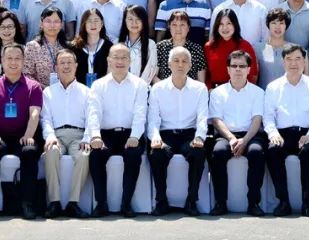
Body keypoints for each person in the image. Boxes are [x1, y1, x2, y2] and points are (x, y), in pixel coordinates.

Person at [86, 44, 150, 218]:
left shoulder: (140, 84)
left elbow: (140, 113)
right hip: (106, 134)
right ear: (109, 60)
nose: (120, 61)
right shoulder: (98, 85)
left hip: (131, 133)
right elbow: (94, 113)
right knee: (96, 156)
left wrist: (135, 136)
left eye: (124, 58)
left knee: (133, 155)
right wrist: (95, 136)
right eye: (116, 57)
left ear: (130, 61)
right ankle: (101, 204)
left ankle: (126, 204)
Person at [0, 44, 43, 220]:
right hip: (0, 136)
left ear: (23, 61)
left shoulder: (34, 87)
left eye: (17, 58)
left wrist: (28, 135)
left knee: (29, 152)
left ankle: (27, 203)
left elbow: (35, 113)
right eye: (9, 58)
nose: (13, 62)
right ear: (2, 61)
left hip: (23, 136)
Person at [263, 44, 309, 217]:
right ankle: (283, 202)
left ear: (304, 61)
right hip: (281, 134)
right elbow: (268, 117)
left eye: (298, 58)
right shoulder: (273, 87)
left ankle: (307, 203)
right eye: (289, 59)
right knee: (273, 150)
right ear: (283, 62)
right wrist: (273, 134)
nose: (294, 63)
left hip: (306, 133)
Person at [146, 46, 210, 216]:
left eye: (184, 61)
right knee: (157, 154)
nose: (180, 65)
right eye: (176, 61)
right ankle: (161, 201)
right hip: (166, 133)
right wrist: (155, 137)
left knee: (198, 153)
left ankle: (192, 201)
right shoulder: (158, 88)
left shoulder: (200, 88)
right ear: (169, 64)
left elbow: (202, 118)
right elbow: (153, 119)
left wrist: (199, 137)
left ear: (190, 65)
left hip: (189, 133)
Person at [208, 50, 268, 217]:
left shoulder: (258, 92)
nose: (238, 69)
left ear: (249, 69)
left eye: (242, 66)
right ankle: (220, 203)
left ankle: (253, 203)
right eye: (234, 66)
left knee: (256, 152)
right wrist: (232, 138)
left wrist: (245, 140)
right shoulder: (218, 92)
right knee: (218, 152)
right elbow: (216, 120)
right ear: (228, 69)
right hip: (226, 135)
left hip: (252, 135)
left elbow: (257, 119)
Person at [41, 49, 91, 219]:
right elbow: (45, 119)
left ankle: (73, 203)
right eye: (62, 63)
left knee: (84, 155)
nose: (66, 66)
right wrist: (50, 136)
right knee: (51, 152)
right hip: (57, 136)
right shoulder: (48, 92)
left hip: (79, 136)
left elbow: (92, 118)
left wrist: (87, 138)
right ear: (56, 67)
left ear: (76, 66)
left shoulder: (86, 91)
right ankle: (54, 202)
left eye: (70, 62)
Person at [205, 9, 260, 89]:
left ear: (235, 24)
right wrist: (210, 89)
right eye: (221, 24)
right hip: (216, 92)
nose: (225, 28)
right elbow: (205, 74)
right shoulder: (209, 47)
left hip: (240, 91)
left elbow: (253, 74)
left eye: (229, 23)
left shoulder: (246, 46)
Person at [156, 11, 208, 83]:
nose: (178, 29)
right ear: (169, 27)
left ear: (188, 28)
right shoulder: (160, 47)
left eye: (182, 25)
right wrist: (165, 87)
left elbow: (201, 81)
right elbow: (153, 75)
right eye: (174, 25)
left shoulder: (197, 49)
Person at [70, 8, 111, 87]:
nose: (93, 24)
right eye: (89, 21)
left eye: (96, 21)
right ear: (84, 24)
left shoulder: (109, 47)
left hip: (102, 90)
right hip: (78, 90)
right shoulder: (74, 47)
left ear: (102, 23)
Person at [257, 8, 292, 88]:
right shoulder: (258, 48)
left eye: (281, 23)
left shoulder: (293, 49)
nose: (277, 27)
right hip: (264, 93)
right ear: (268, 25)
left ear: (286, 26)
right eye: (273, 23)